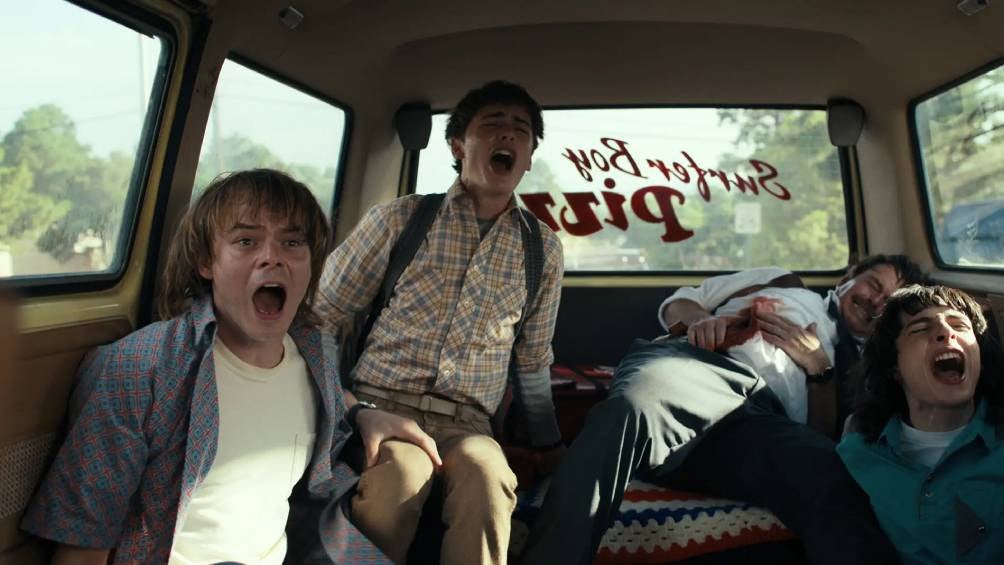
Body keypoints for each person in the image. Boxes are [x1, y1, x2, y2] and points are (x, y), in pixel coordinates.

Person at [21, 169, 437, 564]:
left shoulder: (316, 355)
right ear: (207, 262)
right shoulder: (140, 368)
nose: (272, 258)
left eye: (292, 243)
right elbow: (83, 546)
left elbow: (309, 408)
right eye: (246, 241)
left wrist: (362, 413)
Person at [521, 255, 925, 565]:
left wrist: (821, 370)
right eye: (874, 285)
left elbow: (819, 437)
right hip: (694, 368)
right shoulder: (783, 281)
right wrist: (701, 322)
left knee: (837, 479)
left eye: (889, 303)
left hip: (758, 425)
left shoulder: (868, 367)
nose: (876, 301)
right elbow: (682, 301)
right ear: (848, 277)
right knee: (629, 410)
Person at [317, 80, 564, 565]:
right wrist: (342, 404)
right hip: (382, 403)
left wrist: (550, 444)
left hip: (468, 423)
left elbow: (533, 359)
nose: (508, 135)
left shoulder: (542, 249)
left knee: (489, 481)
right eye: (492, 124)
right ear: (458, 146)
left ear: (530, 157)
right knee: (399, 479)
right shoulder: (401, 220)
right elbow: (320, 318)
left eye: (521, 130)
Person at [838, 285, 1004, 563]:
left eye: (959, 325)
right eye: (920, 328)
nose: (946, 332)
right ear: (894, 366)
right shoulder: (857, 454)